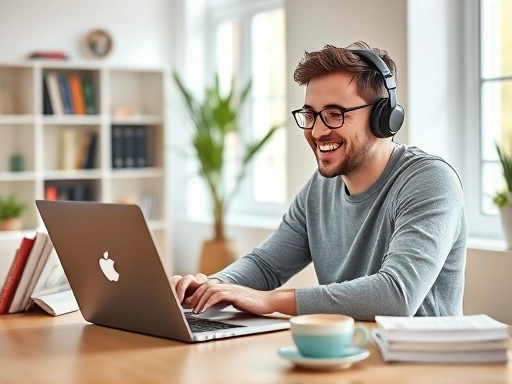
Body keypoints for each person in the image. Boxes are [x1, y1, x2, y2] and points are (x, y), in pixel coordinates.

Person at [171, 41, 467, 321]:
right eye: (310, 115)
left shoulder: (430, 181)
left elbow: (397, 295)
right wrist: (211, 287)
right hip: (347, 359)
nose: (317, 131)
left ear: (384, 117)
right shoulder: (321, 187)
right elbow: (266, 265)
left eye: (335, 114)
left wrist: (271, 300)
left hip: (419, 366)